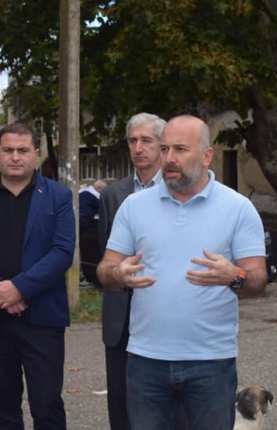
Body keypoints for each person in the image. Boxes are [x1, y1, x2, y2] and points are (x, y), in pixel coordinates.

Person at [97, 115, 267, 430]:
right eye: (164, 149)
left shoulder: (238, 208)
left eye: (180, 149)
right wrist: (117, 274)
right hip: (146, 361)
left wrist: (233, 275)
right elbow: (105, 270)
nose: (169, 158)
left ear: (207, 155)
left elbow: (257, 280)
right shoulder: (134, 206)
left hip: (211, 362)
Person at [0, 122, 75, 430]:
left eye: (23, 150)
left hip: (42, 318)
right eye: (8, 150)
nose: (15, 157)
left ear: (36, 153)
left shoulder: (58, 196)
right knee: (2, 406)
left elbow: (62, 252)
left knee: (47, 404)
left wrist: (19, 289)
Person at [97, 112, 165, 430]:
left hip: (165, 311)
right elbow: (105, 257)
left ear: (162, 145)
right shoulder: (113, 195)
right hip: (121, 316)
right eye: (132, 141)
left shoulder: (179, 190)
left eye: (146, 140)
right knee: (121, 402)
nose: (138, 148)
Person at [79, 179, 107, 286]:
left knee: (87, 255)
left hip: (83, 230)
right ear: (99, 189)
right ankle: (91, 279)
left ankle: (89, 277)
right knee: (91, 256)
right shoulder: (91, 197)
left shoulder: (83, 194)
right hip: (89, 231)